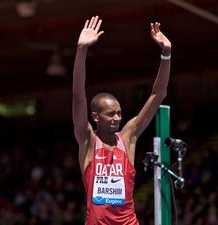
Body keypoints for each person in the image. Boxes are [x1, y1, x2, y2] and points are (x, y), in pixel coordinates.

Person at [72, 15, 171, 225]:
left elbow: (158, 95)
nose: (116, 118)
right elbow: (78, 96)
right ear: (95, 116)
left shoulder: (128, 137)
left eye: (119, 113)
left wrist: (166, 54)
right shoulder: (87, 140)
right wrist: (81, 51)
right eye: (110, 114)